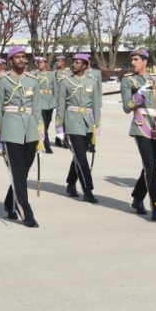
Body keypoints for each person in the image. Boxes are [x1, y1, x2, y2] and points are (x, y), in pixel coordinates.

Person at [0, 46, 42, 227]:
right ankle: (26, 212)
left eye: (23, 56)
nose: (21, 59)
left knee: (23, 171)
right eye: (17, 57)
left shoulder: (33, 81)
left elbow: (37, 109)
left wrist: (41, 134)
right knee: (18, 172)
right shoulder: (2, 81)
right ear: (10, 61)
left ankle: (9, 201)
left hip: (30, 129)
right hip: (10, 128)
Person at [120, 48, 156, 222]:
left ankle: (137, 197)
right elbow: (127, 107)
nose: (133, 62)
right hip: (141, 127)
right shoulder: (128, 81)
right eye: (132, 59)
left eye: (136, 59)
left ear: (145, 61)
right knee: (150, 166)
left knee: (152, 166)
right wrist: (139, 94)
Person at [55, 53, 100, 204]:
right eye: (73, 62)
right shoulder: (65, 82)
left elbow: (96, 105)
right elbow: (61, 106)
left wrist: (97, 125)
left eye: (78, 62)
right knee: (81, 156)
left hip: (87, 122)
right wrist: (59, 127)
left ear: (85, 65)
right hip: (72, 121)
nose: (74, 64)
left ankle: (71, 182)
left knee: (78, 155)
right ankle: (88, 190)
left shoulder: (92, 82)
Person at [33, 56, 57, 152]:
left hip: (50, 102)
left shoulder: (51, 75)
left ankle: (40, 140)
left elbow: (55, 89)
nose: (39, 64)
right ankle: (47, 146)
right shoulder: (35, 75)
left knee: (47, 124)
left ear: (46, 63)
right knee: (42, 124)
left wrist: (55, 102)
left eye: (41, 62)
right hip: (40, 102)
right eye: (38, 63)